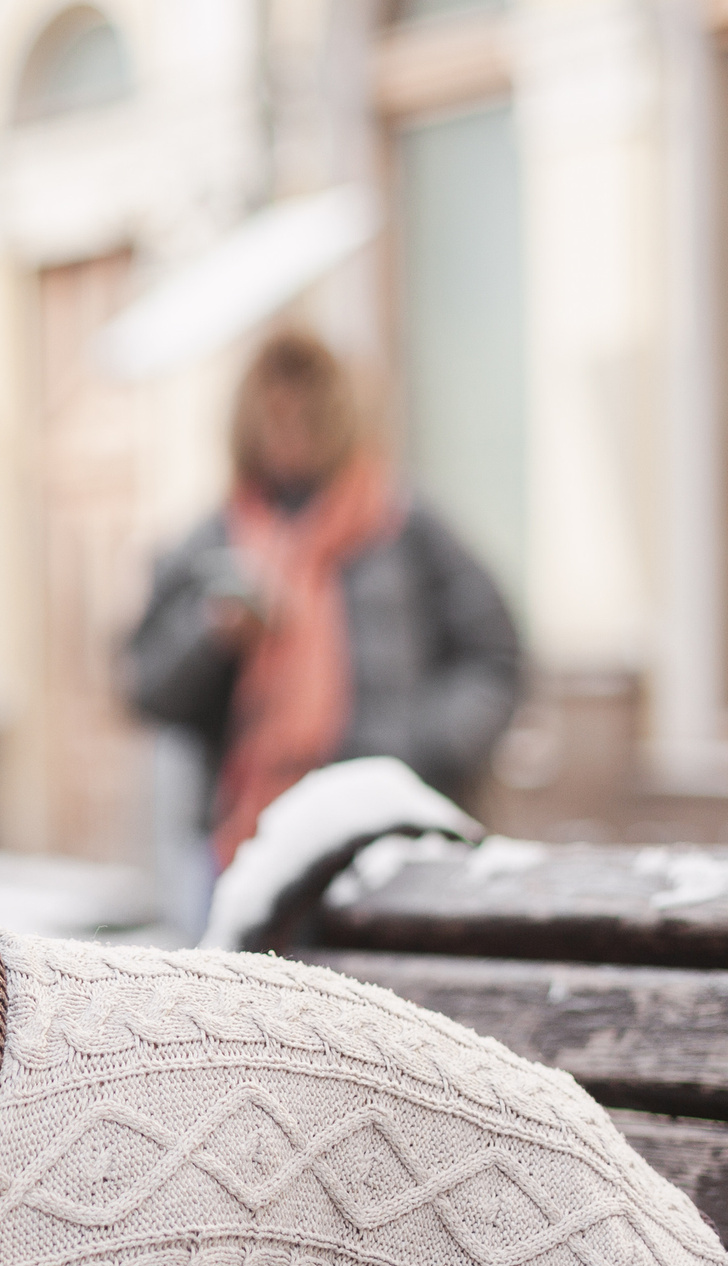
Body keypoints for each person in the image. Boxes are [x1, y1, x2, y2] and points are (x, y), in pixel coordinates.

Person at [126, 329, 522, 881]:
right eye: (274, 417)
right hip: (252, 841)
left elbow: (496, 657)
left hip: (390, 836)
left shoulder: (404, 527)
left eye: (304, 415)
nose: (288, 434)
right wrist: (212, 634)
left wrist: (423, 747)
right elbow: (144, 683)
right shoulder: (216, 540)